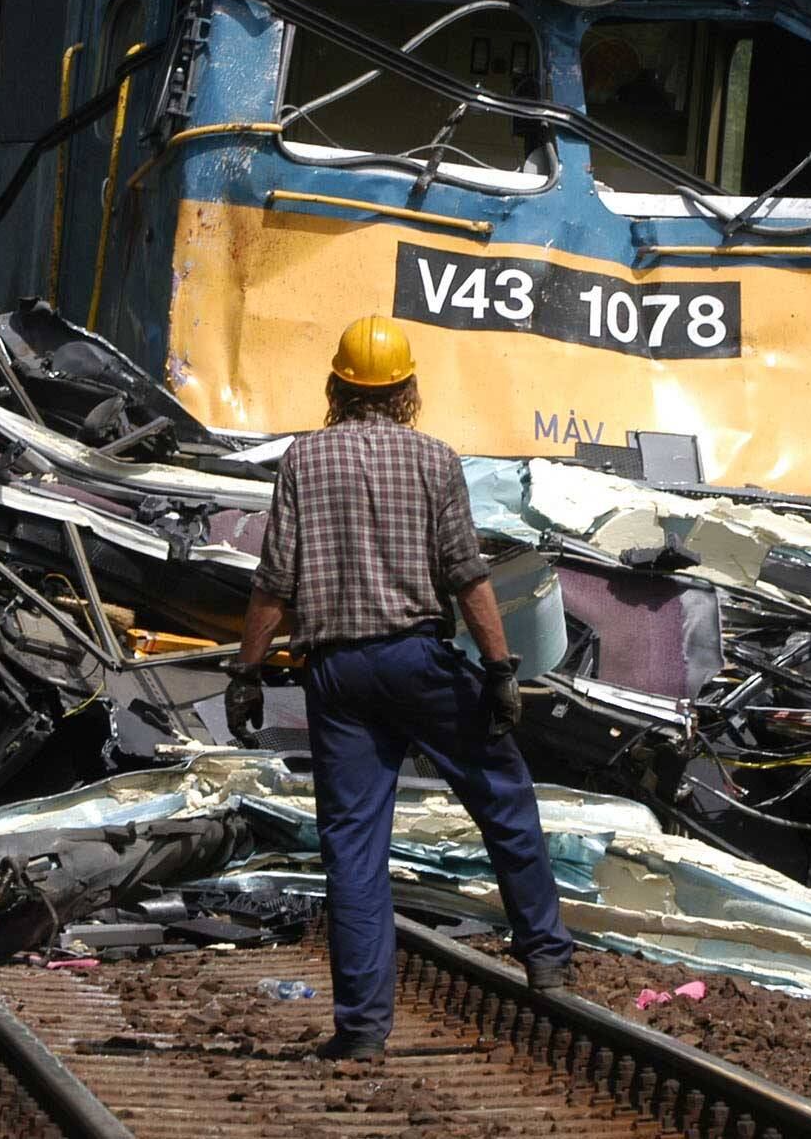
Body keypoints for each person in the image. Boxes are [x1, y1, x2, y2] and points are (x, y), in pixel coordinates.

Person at [225, 316, 577, 1061]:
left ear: (337, 385)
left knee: (353, 846)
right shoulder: (433, 459)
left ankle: (360, 1030)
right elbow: (465, 573)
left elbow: (274, 580)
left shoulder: (303, 460)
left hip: (337, 673)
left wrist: (247, 673)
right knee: (503, 797)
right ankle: (546, 957)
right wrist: (501, 667)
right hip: (418, 661)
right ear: (408, 389)